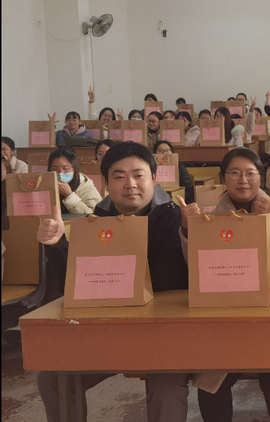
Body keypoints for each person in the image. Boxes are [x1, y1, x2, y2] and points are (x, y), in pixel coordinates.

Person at [36, 141, 190, 422]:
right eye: (119, 177)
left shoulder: (175, 219)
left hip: (163, 334)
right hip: (108, 331)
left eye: (138, 175)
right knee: (52, 377)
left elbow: (170, 281)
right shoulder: (96, 221)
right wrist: (57, 244)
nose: (130, 184)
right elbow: (74, 280)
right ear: (106, 183)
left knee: (166, 389)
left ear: (154, 178)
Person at [178, 148, 270, 422]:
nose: (243, 180)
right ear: (223, 178)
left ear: (260, 178)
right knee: (211, 377)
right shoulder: (209, 216)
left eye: (250, 173)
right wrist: (188, 229)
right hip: (226, 311)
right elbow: (194, 266)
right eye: (234, 173)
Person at [48, 148, 102, 214]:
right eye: (55, 169)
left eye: (66, 168)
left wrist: (69, 195)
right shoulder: (45, 184)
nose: (60, 173)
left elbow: (93, 215)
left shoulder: (85, 186)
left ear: (75, 169)